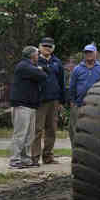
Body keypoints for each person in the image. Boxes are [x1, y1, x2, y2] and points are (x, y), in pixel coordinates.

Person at [9, 46, 47, 169]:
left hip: (30, 105)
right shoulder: (24, 66)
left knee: (29, 135)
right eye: (37, 54)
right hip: (21, 105)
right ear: (32, 55)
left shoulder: (30, 66)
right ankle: (14, 159)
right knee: (20, 134)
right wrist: (40, 69)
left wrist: (40, 69)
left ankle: (25, 159)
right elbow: (42, 75)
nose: (38, 56)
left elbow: (43, 73)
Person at [32, 37, 65, 165]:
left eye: (50, 46)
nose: (47, 48)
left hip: (54, 100)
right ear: (39, 47)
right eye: (45, 46)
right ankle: (34, 158)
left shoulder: (57, 62)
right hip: (39, 100)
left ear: (53, 48)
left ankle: (48, 156)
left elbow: (61, 82)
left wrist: (62, 101)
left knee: (51, 129)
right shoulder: (35, 61)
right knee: (37, 129)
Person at [69, 44, 100, 145]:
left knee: (94, 130)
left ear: (95, 53)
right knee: (75, 129)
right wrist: (72, 102)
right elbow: (72, 86)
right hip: (79, 104)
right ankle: (76, 150)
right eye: (86, 52)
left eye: (90, 52)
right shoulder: (77, 69)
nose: (88, 54)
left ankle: (91, 151)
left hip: (96, 106)